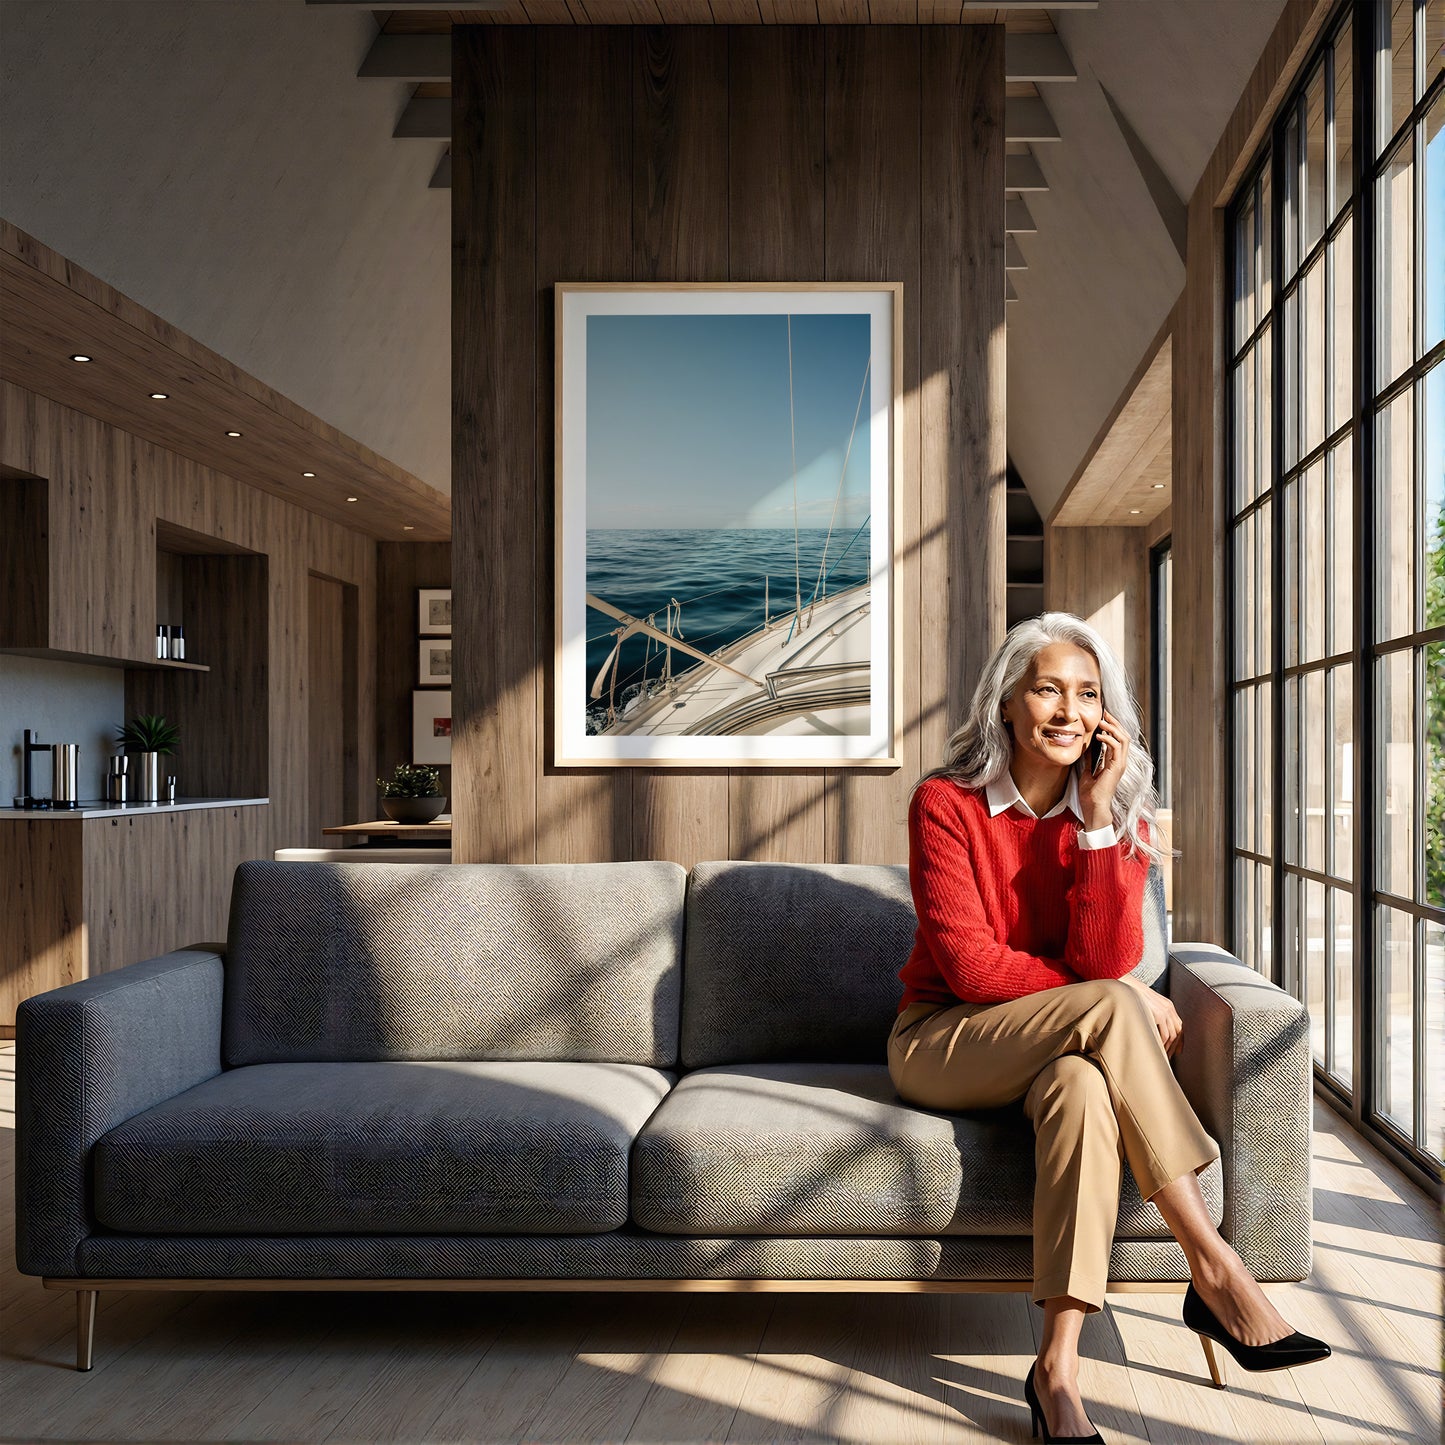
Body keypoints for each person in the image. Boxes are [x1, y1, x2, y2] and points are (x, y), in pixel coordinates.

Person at [888, 612, 1329, 1444]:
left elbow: (1105, 954)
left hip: (1060, 1053)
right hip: (943, 1039)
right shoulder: (944, 804)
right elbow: (975, 972)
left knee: (1084, 1090)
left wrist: (1094, 825)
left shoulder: (1117, 818)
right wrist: (1120, 997)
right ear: (1006, 704)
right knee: (1113, 1004)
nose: (1068, 709)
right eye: (1046, 688)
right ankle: (1214, 1261)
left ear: (1105, 715)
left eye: (1086, 693)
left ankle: (1056, 1371)